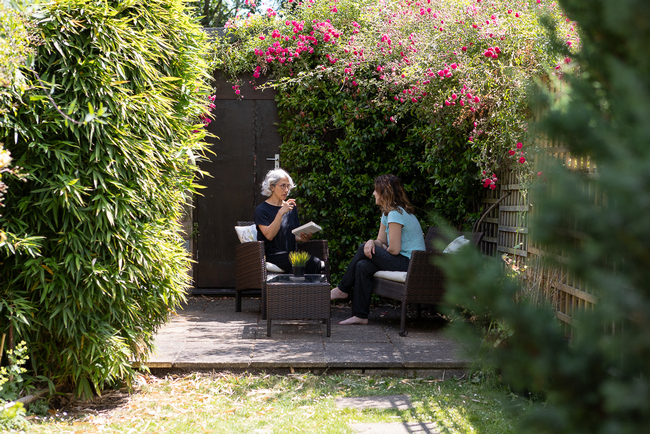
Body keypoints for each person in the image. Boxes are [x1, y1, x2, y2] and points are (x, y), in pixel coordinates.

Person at [331, 174, 425, 325]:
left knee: (363, 250)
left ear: (384, 193)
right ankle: (360, 315)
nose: (373, 193)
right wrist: (371, 242)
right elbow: (381, 241)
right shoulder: (387, 213)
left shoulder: (396, 213)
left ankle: (342, 289)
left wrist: (372, 248)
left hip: (410, 263)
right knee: (363, 265)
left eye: (376, 190)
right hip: (402, 259)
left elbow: (394, 250)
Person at [254, 168, 322, 274]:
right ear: (272, 186)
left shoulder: (291, 208)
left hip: (289, 254)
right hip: (272, 255)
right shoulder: (261, 210)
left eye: (288, 186)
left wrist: (303, 237)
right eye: (282, 186)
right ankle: (295, 289)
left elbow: (292, 235)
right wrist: (281, 213)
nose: (286, 190)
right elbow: (269, 235)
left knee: (315, 262)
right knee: (297, 263)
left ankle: (307, 290)